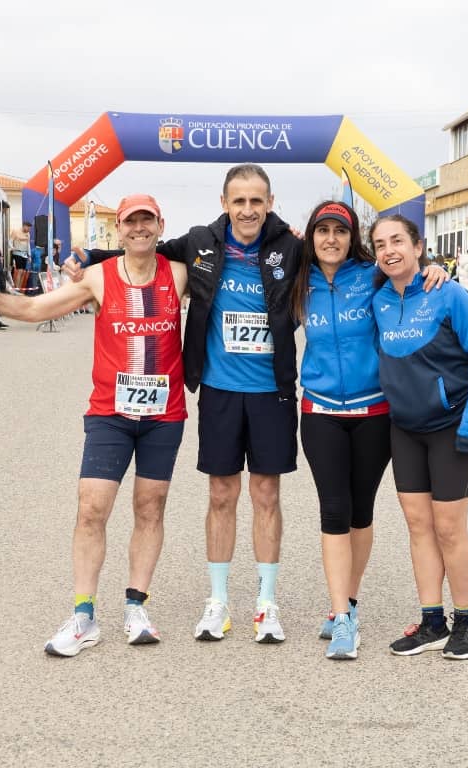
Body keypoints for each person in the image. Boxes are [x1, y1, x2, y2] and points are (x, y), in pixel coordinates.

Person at [0, 193, 189, 656]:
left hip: (164, 414)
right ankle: (83, 616)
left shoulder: (178, 274)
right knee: (92, 508)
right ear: (120, 229)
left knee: (150, 508)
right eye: (130, 222)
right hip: (110, 414)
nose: (139, 228)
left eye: (147, 221)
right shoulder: (98, 277)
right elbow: (35, 310)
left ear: (160, 225)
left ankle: (136, 607)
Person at [69, 164, 301, 644]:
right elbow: (143, 249)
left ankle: (266, 605)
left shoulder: (291, 247)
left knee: (266, 495)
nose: (248, 210)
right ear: (224, 204)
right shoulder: (200, 243)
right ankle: (218, 602)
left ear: (270, 202)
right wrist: (89, 256)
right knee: (221, 495)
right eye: (239, 201)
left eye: (256, 201)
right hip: (218, 388)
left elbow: (342, 259)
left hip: (271, 391)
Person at [290, 201, 446, 660]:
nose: (331, 239)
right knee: (333, 510)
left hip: (374, 411)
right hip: (320, 411)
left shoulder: (370, 274)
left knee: (361, 513)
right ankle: (342, 619)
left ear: (351, 237)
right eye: (323, 230)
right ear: (312, 236)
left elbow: (407, 276)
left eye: (340, 231)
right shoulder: (299, 280)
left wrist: (433, 268)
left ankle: (349, 602)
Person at [371, 215, 468, 660]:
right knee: (418, 525)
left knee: (448, 527)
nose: (390, 250)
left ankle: (466, 622)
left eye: (397, 241)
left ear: (418, 246)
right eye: (380, 244)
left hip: (453, 427)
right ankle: (432, 622)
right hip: (405, 429)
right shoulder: (379, 299)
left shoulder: (448, 292)